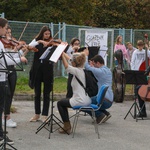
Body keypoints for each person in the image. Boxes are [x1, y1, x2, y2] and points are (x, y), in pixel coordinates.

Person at [0, 17, 27, 144]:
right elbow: (4, 62)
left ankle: (0, 134)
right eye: (5, 28)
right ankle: (0, 136)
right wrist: (19, 59)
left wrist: (18, 54)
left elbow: (6, 58)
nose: (6, 32)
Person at [29, 26, 59, 122]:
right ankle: (37, 114)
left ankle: (45, 115)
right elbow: (29, 46)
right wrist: (40, 42)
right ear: (42, 34)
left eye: (49, 34)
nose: (47, 36)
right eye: (45, 34)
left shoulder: (52, 44)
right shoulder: (37, 42)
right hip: (37, 70)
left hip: (48, 70)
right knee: (37, 93)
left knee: (46, 94)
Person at [57, 52, 91, 134]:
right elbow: (70, 61)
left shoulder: (76, 71)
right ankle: (66, 125)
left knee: (60, 103)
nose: (71, 62)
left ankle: (67, 126)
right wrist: (64, 54)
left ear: (75, 63)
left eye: (72, 61)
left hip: (80, 100)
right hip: (87, 99)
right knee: (65, 101)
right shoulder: (82, 70)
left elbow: (67, 66)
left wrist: (62, 56)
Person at [84, 49, 113, 124]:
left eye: (94, 64)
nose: (93, 66)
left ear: (98, 63)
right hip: (109, 98)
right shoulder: (107, 70)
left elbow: (87, 67)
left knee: (83, 103)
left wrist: (85, 55)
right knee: (92, 100)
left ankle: (100, 115)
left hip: (104, 100)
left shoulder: (101, 71)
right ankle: (105, 114)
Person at [130, 40, 150, 117]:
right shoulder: (135, 52)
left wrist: (147, 49)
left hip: (144, 71)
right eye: (139, 46)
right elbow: (133, 61)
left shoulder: (146, 51)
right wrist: (133, 70)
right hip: (140, 71)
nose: (141, 47)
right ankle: (143, 111)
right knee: (138, 89)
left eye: (142, 45)